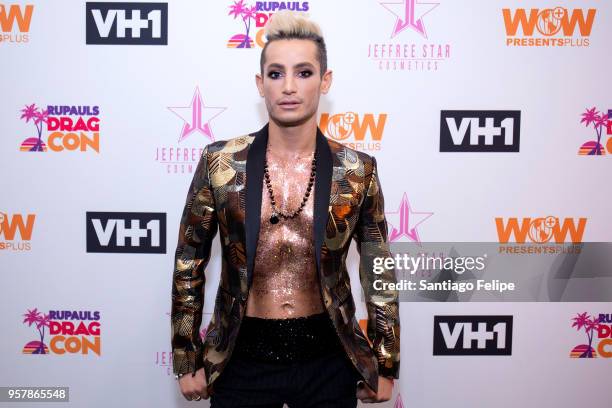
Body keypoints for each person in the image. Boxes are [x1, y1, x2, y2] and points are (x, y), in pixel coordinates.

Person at [171, 10, 400, 407]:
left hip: (328, 360)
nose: (289, 87)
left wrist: (385, 361)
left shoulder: (357, 170)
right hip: (241, 361)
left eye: (304, 73)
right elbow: (189, 261)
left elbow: (379, 271)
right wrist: (186, 354)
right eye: (276, 74)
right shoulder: (220, 163)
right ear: (261, 85)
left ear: (325, 81)